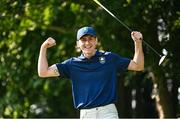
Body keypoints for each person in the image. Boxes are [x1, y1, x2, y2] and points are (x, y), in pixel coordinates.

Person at [38, 26, 144, 119]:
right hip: (86, 114)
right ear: (77, 44)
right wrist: (43, 47)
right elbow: (43, 72)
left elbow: (138, 66)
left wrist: (138, 43)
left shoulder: (109, 58)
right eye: (83, 40)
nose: (87, 43)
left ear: (96, 40)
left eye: (90, 39)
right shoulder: (71, 65)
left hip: (108, 113)